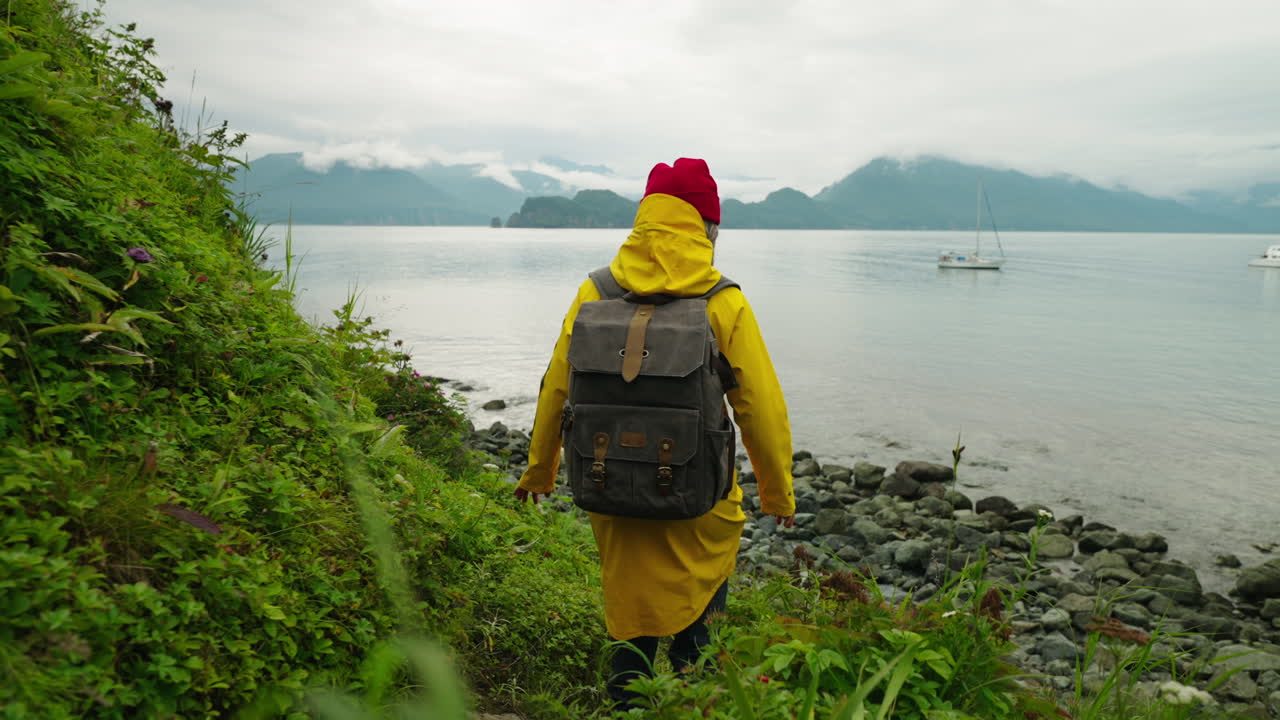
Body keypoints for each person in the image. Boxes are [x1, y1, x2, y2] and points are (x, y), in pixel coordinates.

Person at [513, 157, 796, 707]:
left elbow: (556, 386)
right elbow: (759, 405)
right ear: (707, 227)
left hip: (610, 485)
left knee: (630, 618)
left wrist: (540, 469)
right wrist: (776, 490)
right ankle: (691, 701)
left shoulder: (595, 291)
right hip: (698, 499)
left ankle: (627, 706)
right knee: (699, 633)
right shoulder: (722, 300)